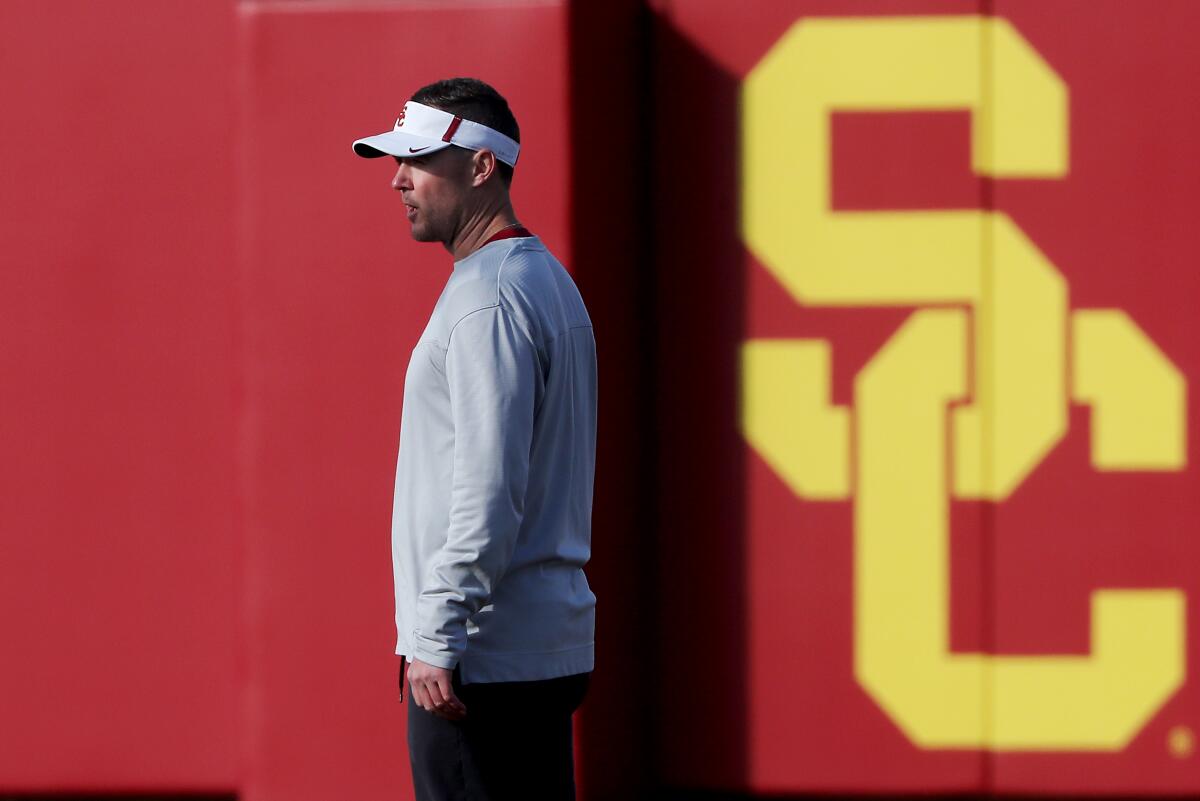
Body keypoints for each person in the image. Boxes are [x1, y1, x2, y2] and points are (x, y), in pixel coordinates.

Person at [352, 78, 597, 801]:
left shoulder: (488, 297)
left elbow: (488, 490)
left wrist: (437, 633)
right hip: (536, 646)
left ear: (482, 166)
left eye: (420, 159)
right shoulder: (544, 280)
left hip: (478, 661)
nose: (398, 179)